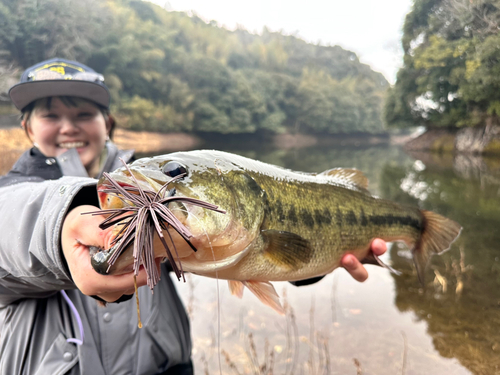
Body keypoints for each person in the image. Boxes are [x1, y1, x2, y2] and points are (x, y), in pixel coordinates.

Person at [0, 58, 387, 374]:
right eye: (50, 115)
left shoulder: (157, 181)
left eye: (83, 113)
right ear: (26, 127)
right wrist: (62, 222)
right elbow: (12, 223)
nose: (68, 127)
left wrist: (324, 255)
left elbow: (238, 240)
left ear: (108, 122)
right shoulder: (12, 192)